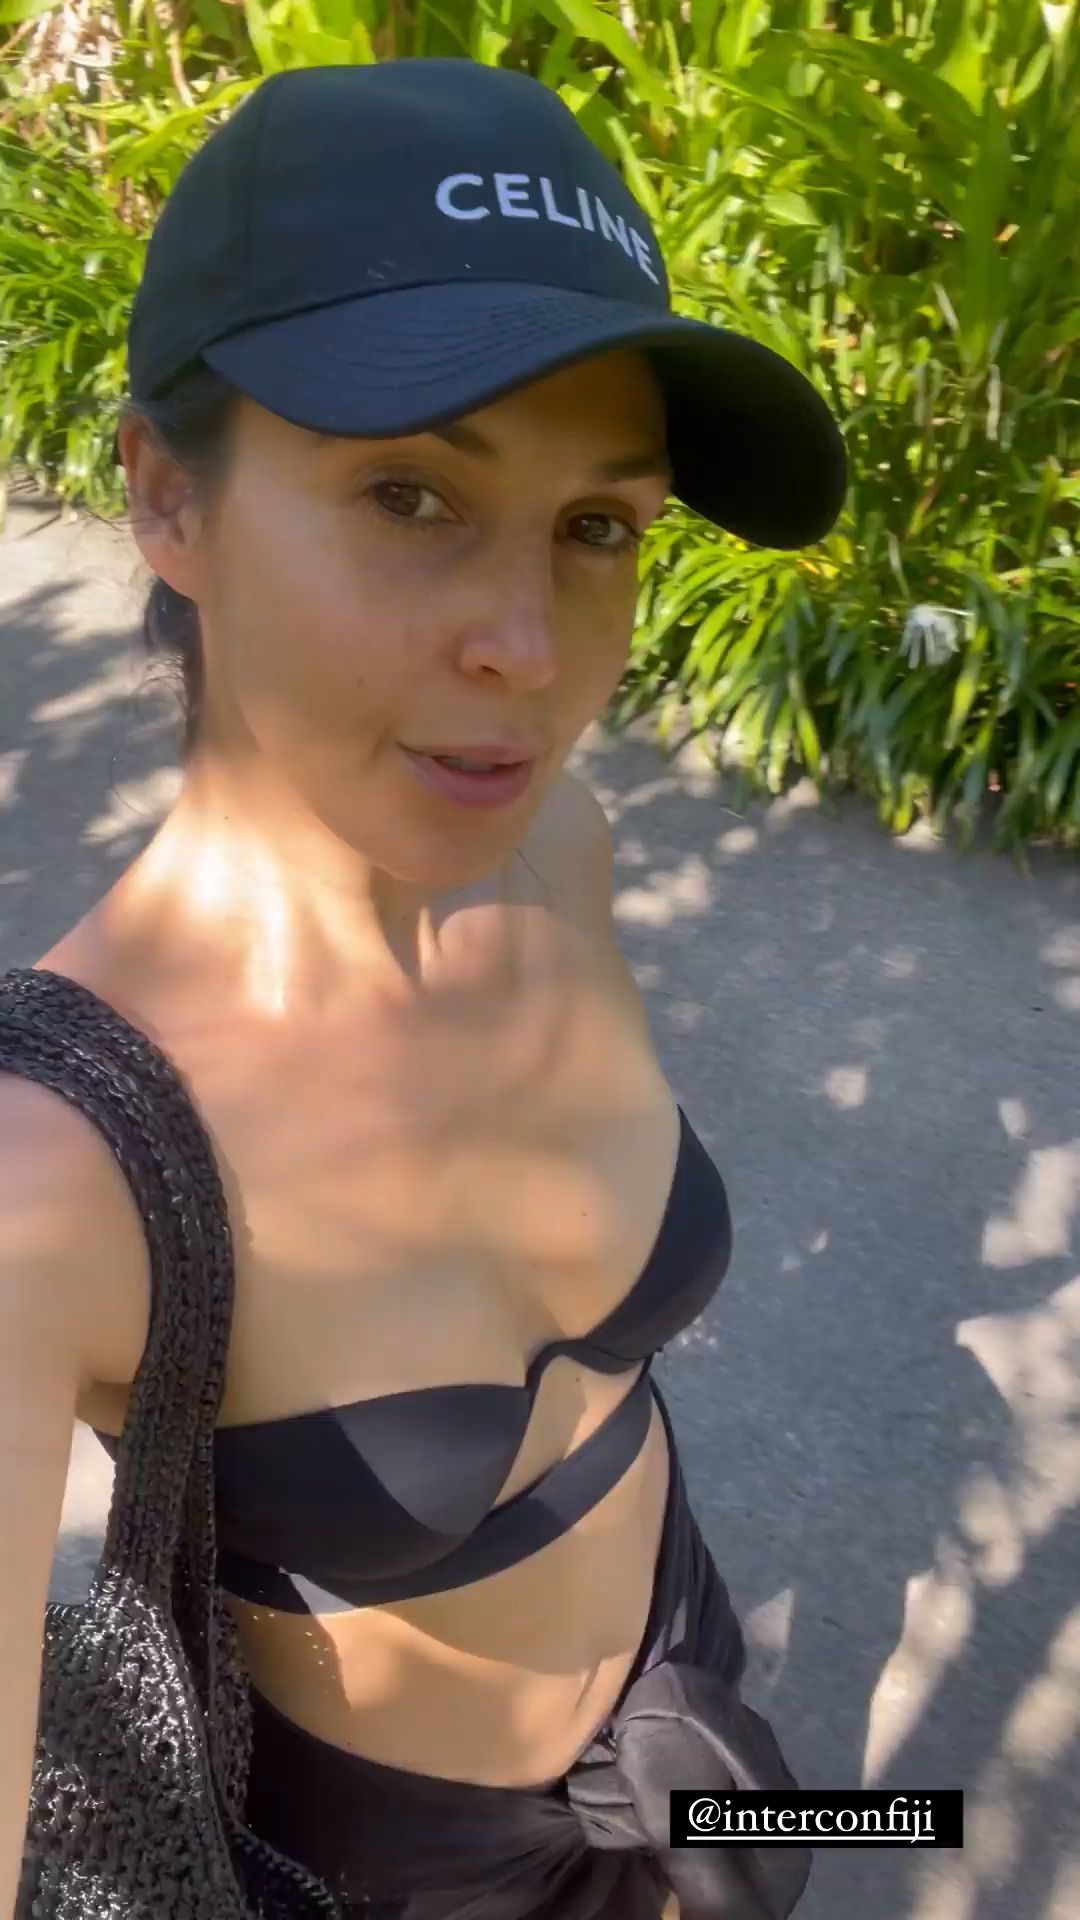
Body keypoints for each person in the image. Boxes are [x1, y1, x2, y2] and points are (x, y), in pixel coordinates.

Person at [0, 56, 845, 1920]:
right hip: (408, 1870)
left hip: (696, 1720)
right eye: (409, 493)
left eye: (599, 526)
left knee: (885, 1836)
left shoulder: (558, 853)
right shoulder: (51, 1179)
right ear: (167, 497)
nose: (530, 651)